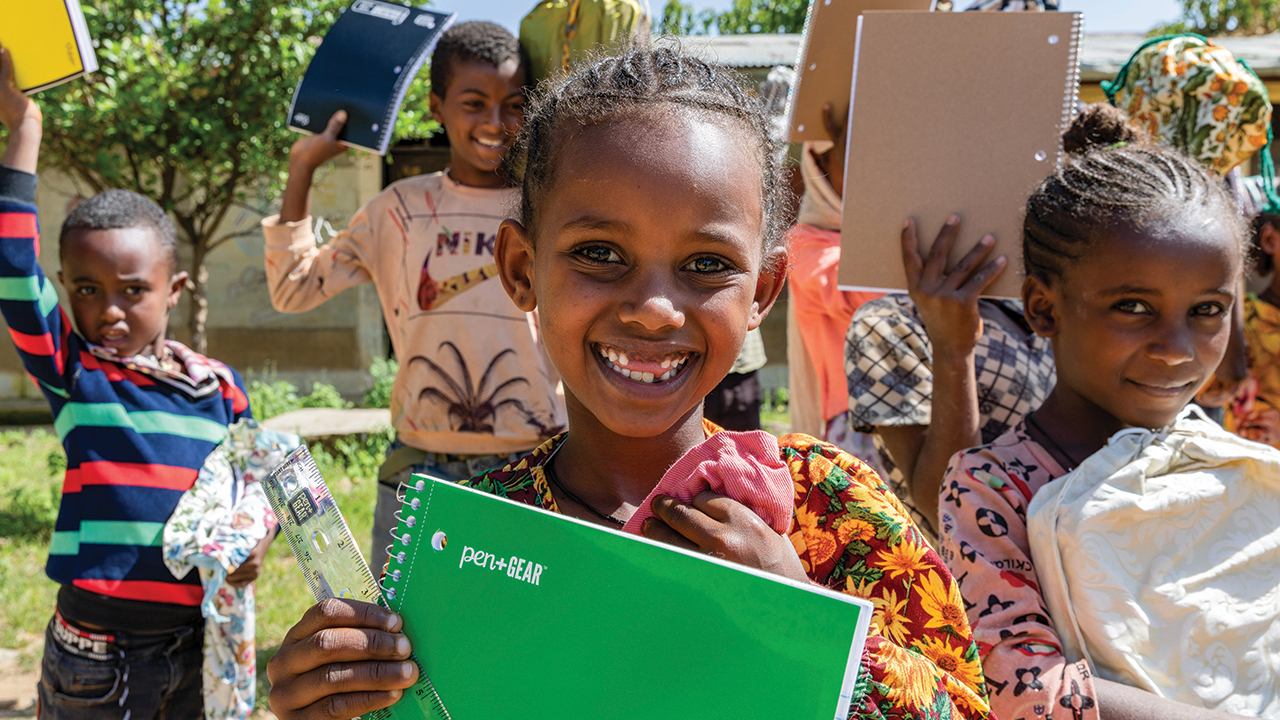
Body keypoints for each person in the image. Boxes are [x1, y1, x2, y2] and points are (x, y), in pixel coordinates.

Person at [264, 47, 993, 720]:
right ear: (522, 270)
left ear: (764, 290)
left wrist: (803, 620)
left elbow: (966, 706)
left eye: (707, 263)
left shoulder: (835, 514)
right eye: (599, 252)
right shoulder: (469, 540)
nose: (653, 309)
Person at [938, 106, 1264, 719]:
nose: (1177, 348)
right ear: (1043, 308)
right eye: (1135, 306)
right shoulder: (997, 488)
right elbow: (1027, 694)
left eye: (1207, 310)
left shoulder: (1229, 465)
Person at [0, 46, 259, 720]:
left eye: (131, 290)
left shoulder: (217, 387)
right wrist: (24, 131)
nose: (108, 309)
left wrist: (252, 543)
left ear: (175, 290)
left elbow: (252, 484)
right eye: (86, 289)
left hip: (197, 638)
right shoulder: (74, 370)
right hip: (97, 651)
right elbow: (11, 263)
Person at [261, 22, 566, 576]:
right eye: (474, 103)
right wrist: (302, 167)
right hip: (419, 469)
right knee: (402, 636)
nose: (495, 123)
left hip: (535, 464)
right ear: (435, 106)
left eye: (513, 105)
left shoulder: (546, 212)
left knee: (517, 636)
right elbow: (292, 288)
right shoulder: (396, 212)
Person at [787, 102, 883, 468]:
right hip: (857, 427)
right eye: (853, 161)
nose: (869, 176)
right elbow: (864, 295)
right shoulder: (808, 244)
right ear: (820, 166)